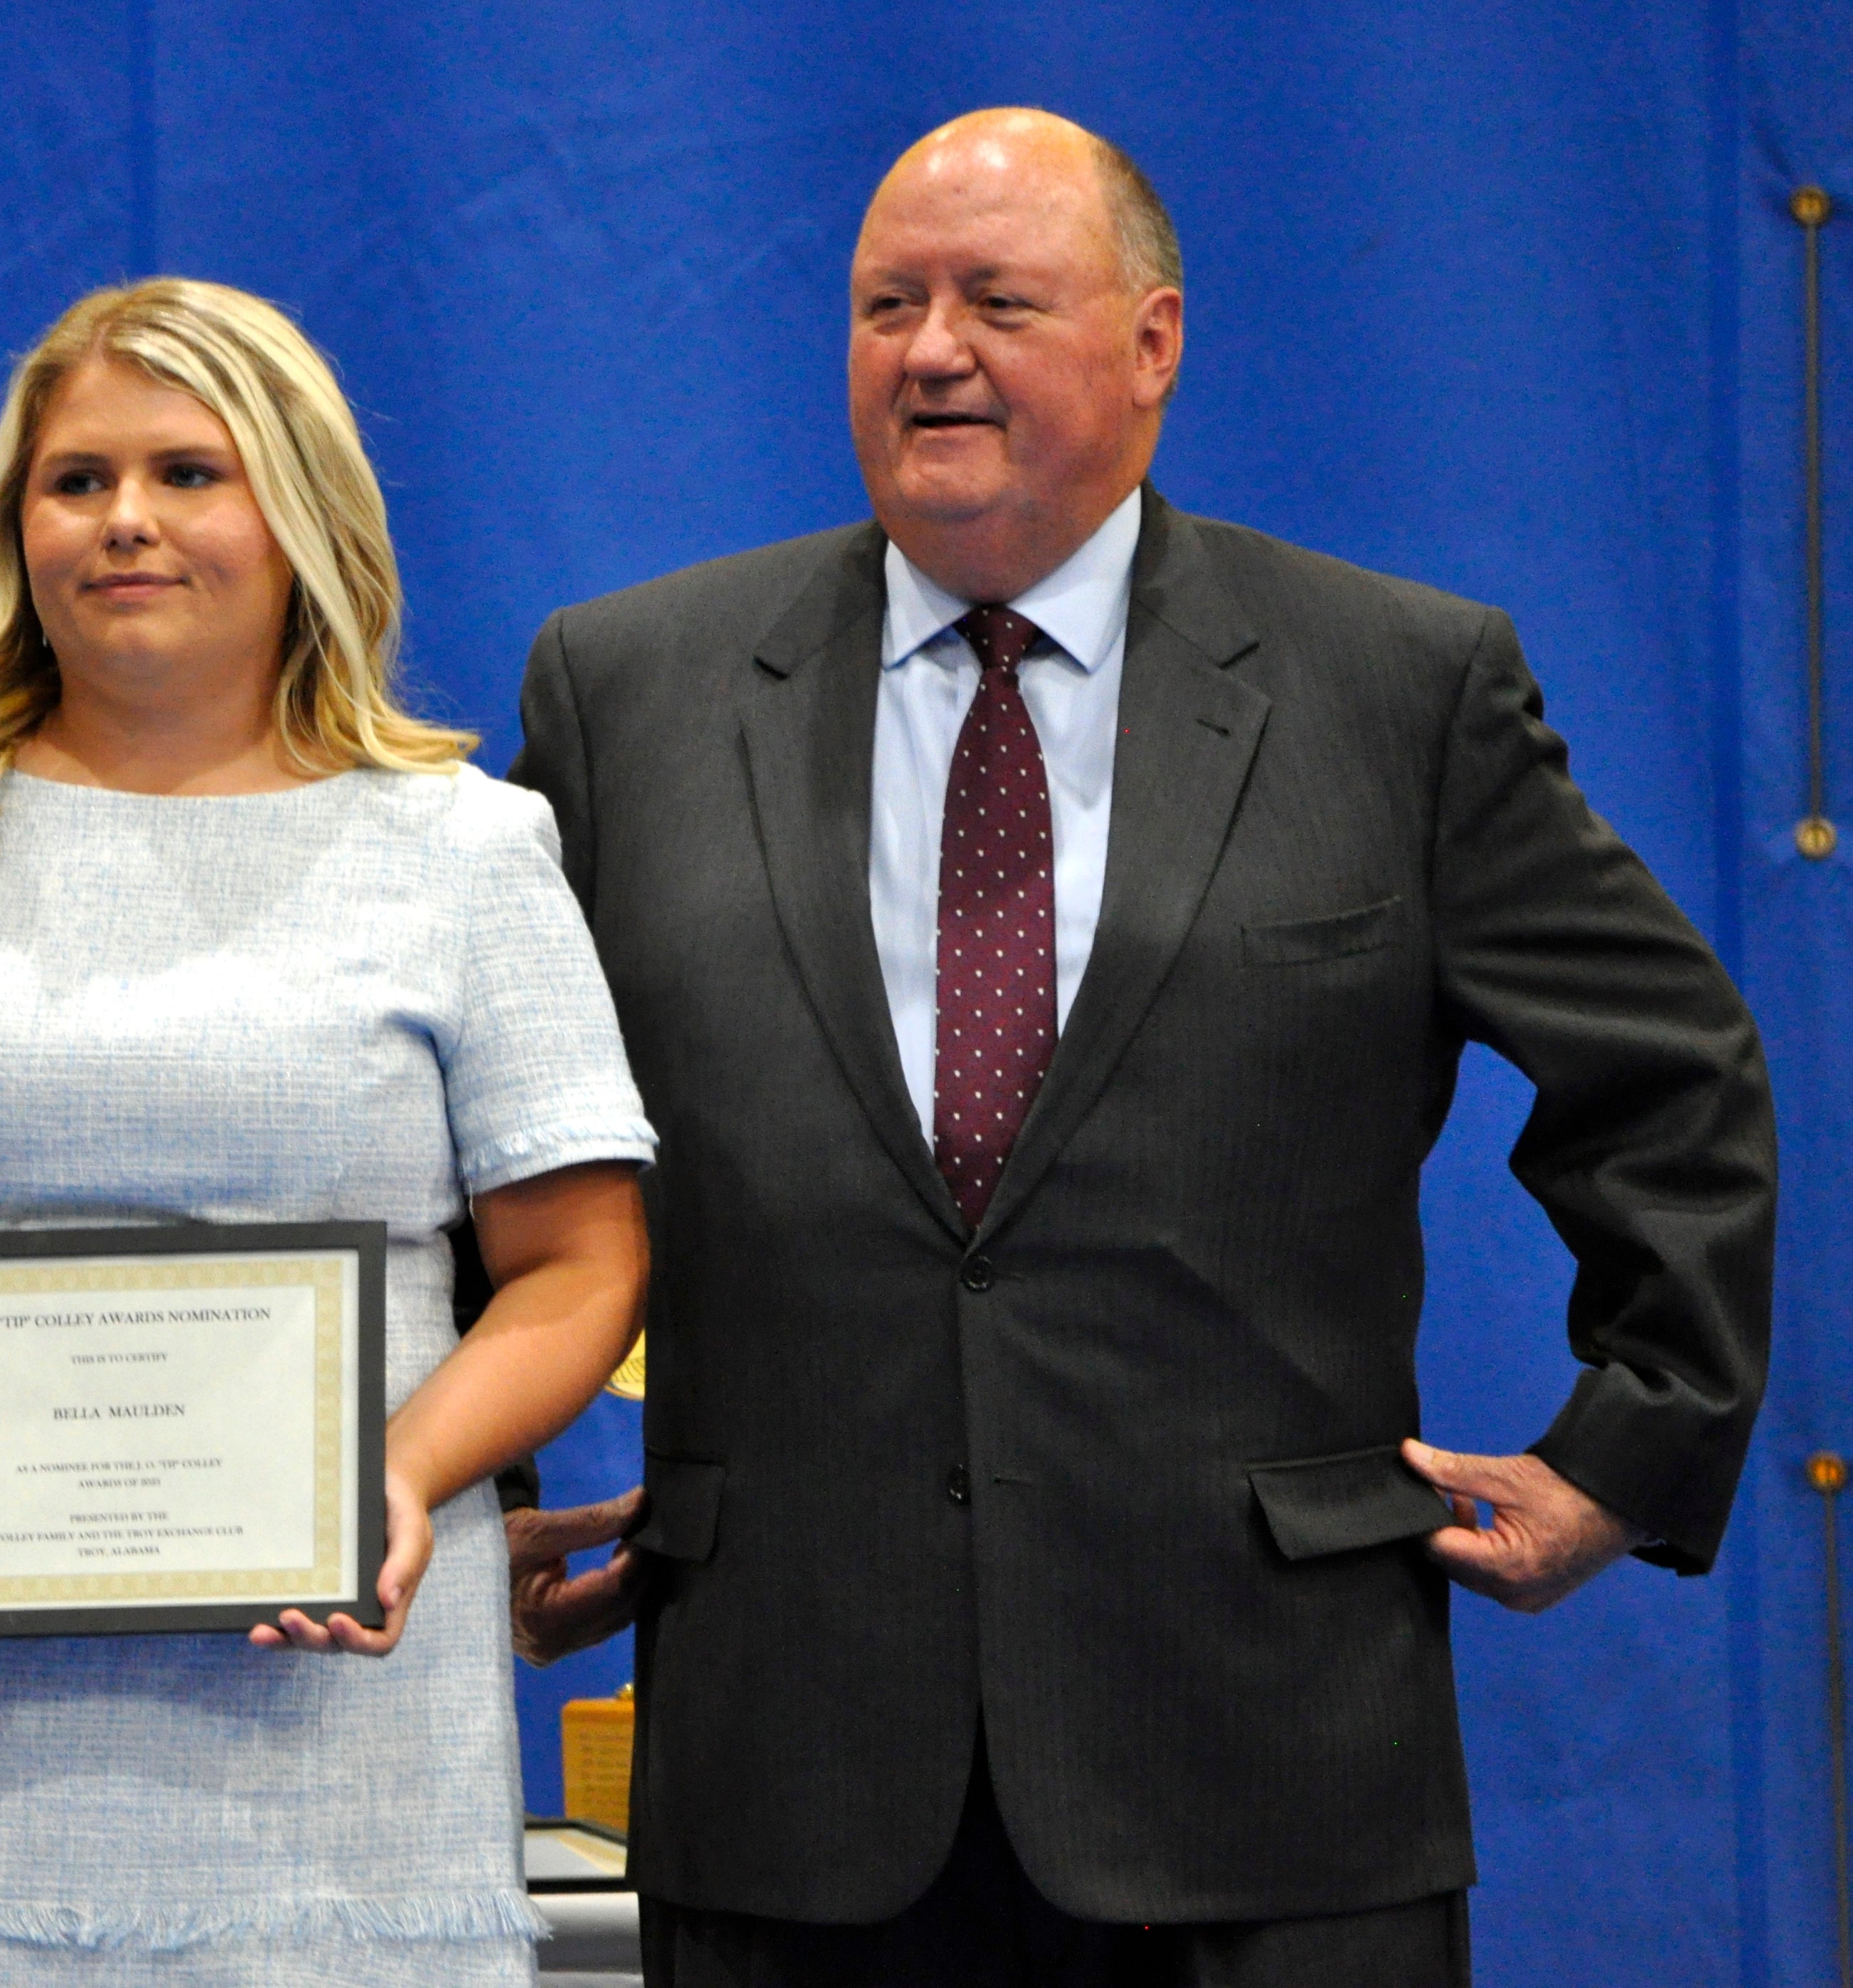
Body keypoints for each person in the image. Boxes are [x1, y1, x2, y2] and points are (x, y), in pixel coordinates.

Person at [503, 109, 1775, 1987]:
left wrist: (1627, 1452)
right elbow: (477, 1130)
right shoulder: (628, 694)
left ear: (1153, 343)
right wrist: (480, 1505)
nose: (930, 348)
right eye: (885, 305)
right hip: (791, 1772)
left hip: (1272, 1767)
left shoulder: (1393, 688)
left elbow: (1669, 1073)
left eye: (996, 300)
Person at [0, 276, 655, 1987]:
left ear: (301, 513)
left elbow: (578, 1264)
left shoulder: (467, 850)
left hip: (340, 1742)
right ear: (14, 524)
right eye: (75, 479)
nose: (125, 522)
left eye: (189, 473)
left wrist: (393, 1479)